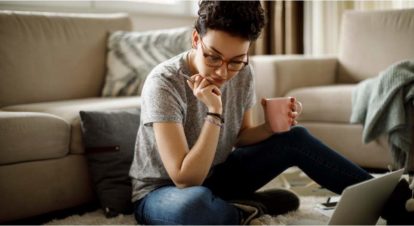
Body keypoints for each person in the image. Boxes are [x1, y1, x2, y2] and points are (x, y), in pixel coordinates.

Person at [129, 1, 372, 224]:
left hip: (218, 176)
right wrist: (214, 112)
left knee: (295, 137)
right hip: (163, 192)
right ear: (195, 39)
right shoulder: (164, 82)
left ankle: (393, 198)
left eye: (235, 61)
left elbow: (241, 136)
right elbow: (185, 178)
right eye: (213, 57)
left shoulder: (244, 72)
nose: (223, 73)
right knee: (192, 209)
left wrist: (269, 127)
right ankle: (248, 208)